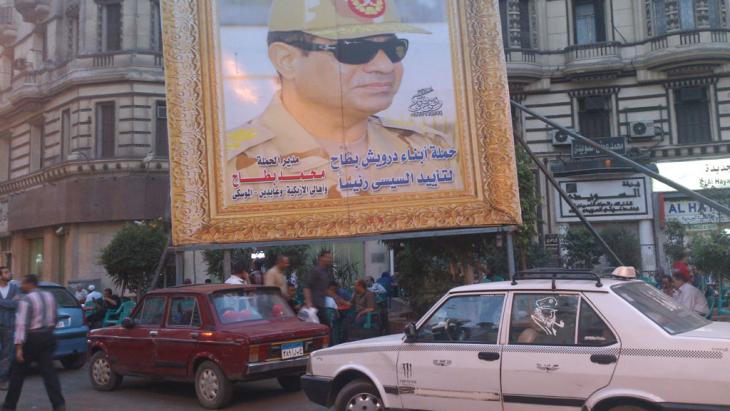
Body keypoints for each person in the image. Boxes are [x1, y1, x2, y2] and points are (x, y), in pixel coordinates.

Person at [226, 0, 460, 201]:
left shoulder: (430, 152)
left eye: (394, 49)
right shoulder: (225, 166)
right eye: (354, 49)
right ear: (287, 60)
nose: (385, 66)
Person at [2, 275, 65, 411]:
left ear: (30, 284)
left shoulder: (27, 300)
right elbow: (55, 317)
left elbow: (21, 324)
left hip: (32, 338)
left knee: (17, 374)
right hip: (48, 336)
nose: (21, 286)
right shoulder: (50, 296)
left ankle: (9, 405)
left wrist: (19, 348)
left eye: (23, 283)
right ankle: (59, 404)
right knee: (49, 373)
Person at [303, 250, 334, 327]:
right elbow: (306, 287)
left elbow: (324, 289)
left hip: (321, 304)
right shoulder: (315, 270)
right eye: (327, 257)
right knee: (326, 327)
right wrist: (308, 302)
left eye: (330, 258)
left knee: (321, 327)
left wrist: (337, 298)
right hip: (314, 305)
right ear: (321, 258)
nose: (329, 259)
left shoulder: (326, 271)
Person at [0, 268, 18, 391]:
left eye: (9, 272)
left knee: (7, 353)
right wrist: (9, 303)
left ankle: (2, 379)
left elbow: (17, 304)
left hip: (9, 325)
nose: (9, 274)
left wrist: (2, 303)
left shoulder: (14, 288)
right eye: (6, 272)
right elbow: (12, 303)